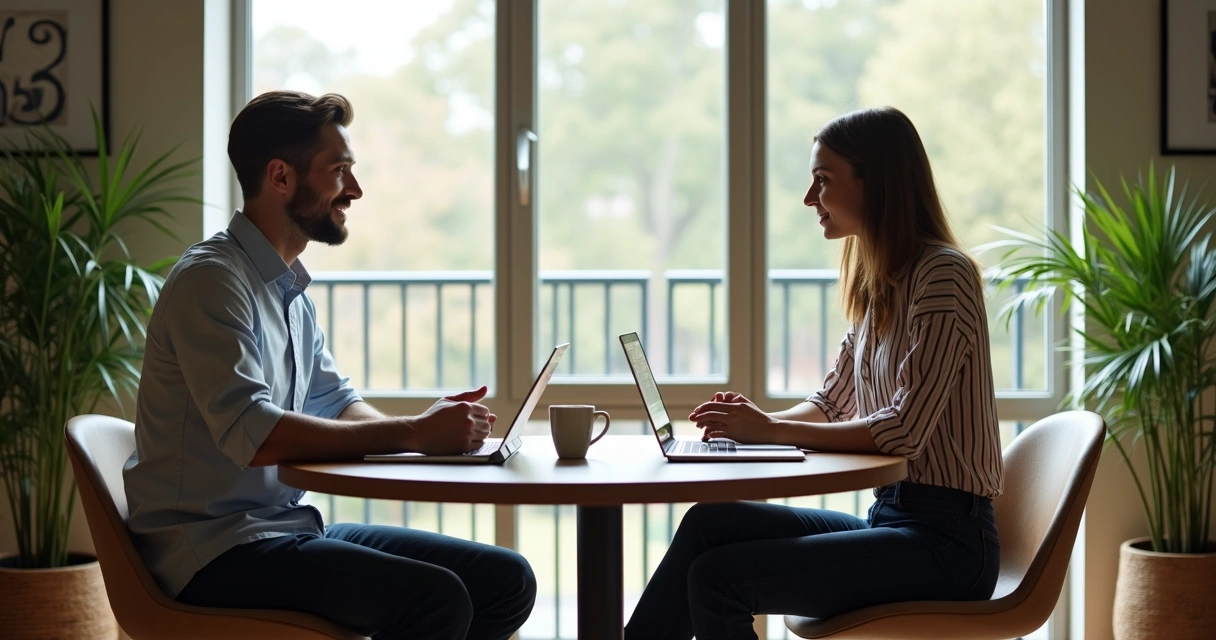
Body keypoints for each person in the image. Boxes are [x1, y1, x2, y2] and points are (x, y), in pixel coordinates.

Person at [123, 90, 535, 640]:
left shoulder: (289, 289)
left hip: (282, 530)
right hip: (211, 551)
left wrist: (429, 432)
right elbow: (256, 436)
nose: (356, 190)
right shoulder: (213, 281)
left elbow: (338, 403)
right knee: (437, 601)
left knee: (507, 581)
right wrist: (413, 431)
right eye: (339, 171)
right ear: (280, 177)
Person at [623, 106, 1004, 640]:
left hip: (948, 543)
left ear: (879, 183)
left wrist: (772, 431)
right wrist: (754, 428)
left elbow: (902, 430)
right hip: (892, 519)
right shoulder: (880, 288)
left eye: (823, 181)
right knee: (710, 523)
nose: (809, 199)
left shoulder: (943, 275)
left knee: (718, 579)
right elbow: (830, 403)